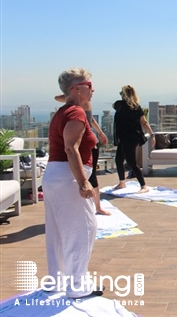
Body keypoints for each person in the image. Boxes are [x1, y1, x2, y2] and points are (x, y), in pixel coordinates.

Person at [43, 68, 103, 298]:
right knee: (83, 229)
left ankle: (57, 281)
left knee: (58, 232)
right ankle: (78, 286)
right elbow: (71, 148)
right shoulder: (76, 113)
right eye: (89, 85)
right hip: (67, 178)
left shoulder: (62, 112)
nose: (92, 89)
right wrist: (83, 183)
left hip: (55, 176)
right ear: (75, 89)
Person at [55, 94, 110, 215]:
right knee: (83, 176)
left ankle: (97, 206)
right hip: (83, 143)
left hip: (87, 145)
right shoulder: (78, 106)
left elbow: (57, 98)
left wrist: (71, 95)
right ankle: (94, 206)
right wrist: (100, 133)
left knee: (91, 177)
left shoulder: (83, 104)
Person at [113, 85, 155, 193]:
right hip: (129, 137)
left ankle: (143, 185)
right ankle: (122, 182)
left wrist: (152, 135)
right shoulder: (137, 107)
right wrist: (152, 135)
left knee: (132, 162)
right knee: (118, 159)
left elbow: (114, 105)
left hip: (128, 138)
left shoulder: (120, 105)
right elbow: (144, 122)